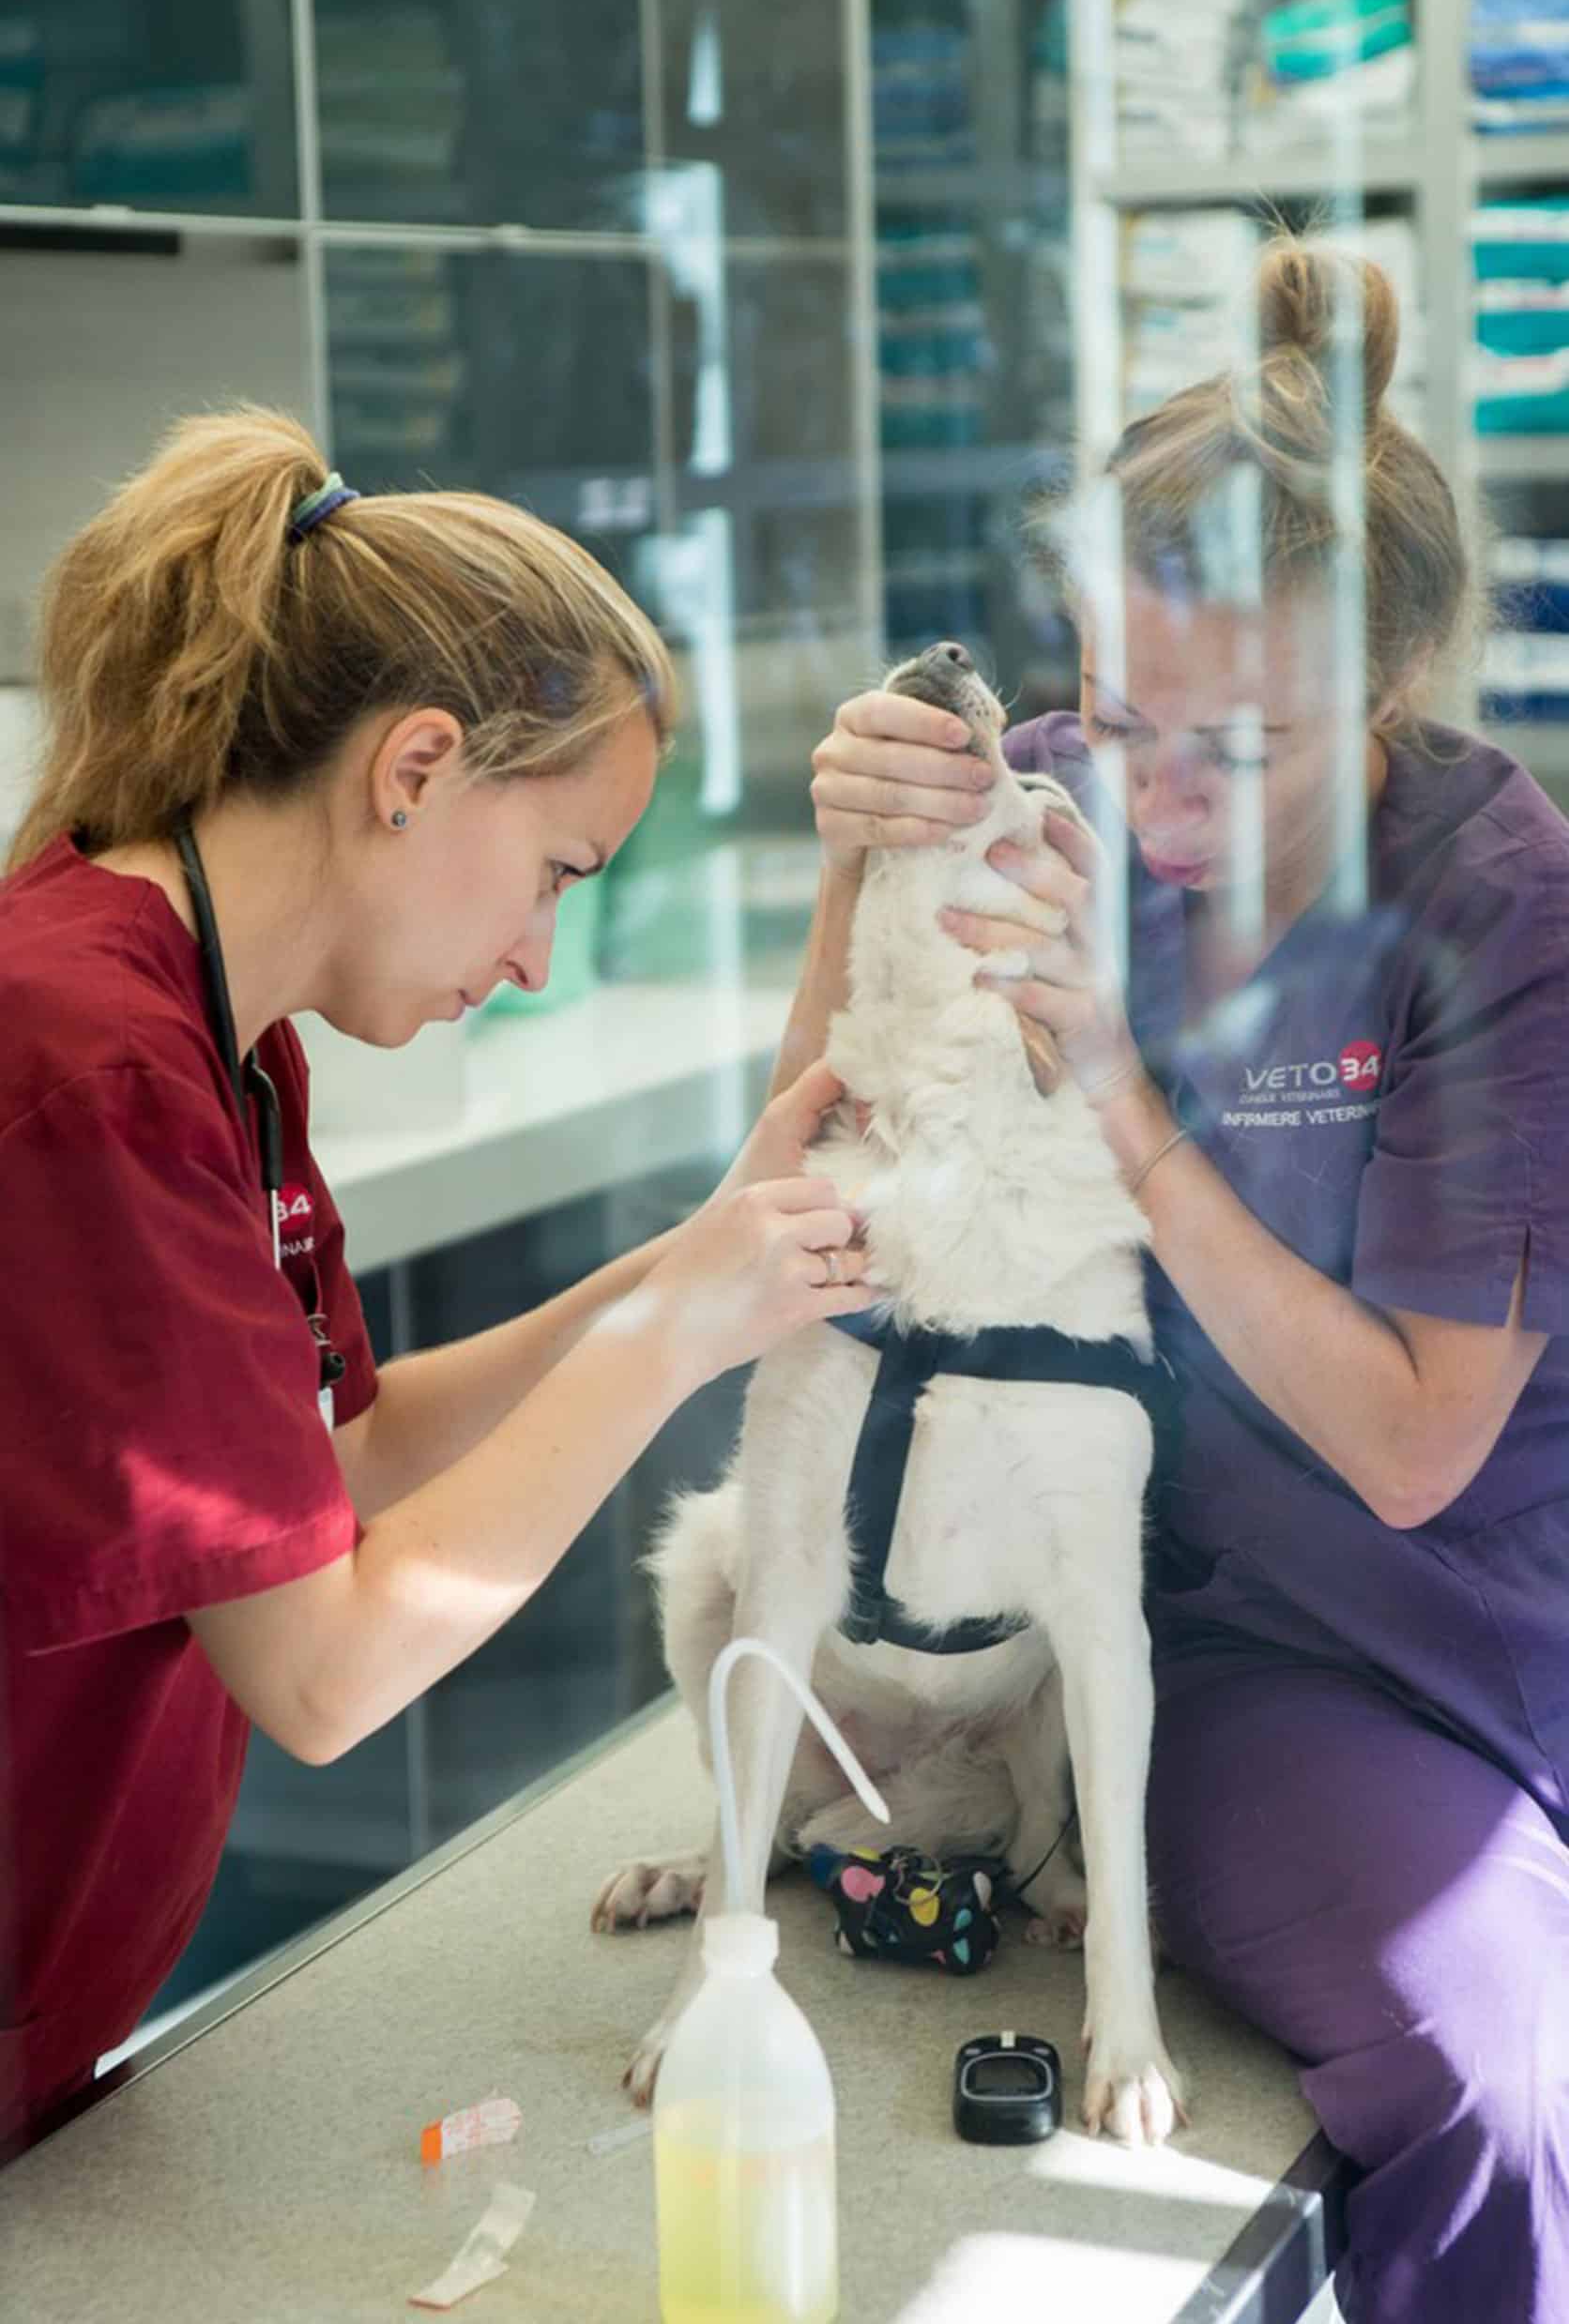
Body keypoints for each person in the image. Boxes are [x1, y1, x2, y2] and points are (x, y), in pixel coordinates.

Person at [777, 241, 1569, 2323]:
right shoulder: (1047, 801)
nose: (1165, 793)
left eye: (1238, 739)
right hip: (1217, 1641)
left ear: (1379, 690)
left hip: (1480, 1591)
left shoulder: (1489, 907)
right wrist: (859, 870)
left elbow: (1411, 1441)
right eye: (1129, 715)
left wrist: (1124, 1101)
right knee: (1491, 2083)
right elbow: (813, 1199)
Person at [0, 408, 874, 2151]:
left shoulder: (224, 1036)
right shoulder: (86, 1065)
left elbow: (341, 1460)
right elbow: (322, 1673)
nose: (541, 957)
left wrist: (694, 1264)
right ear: (414, 769)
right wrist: (671, 1341)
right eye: (555, 874)